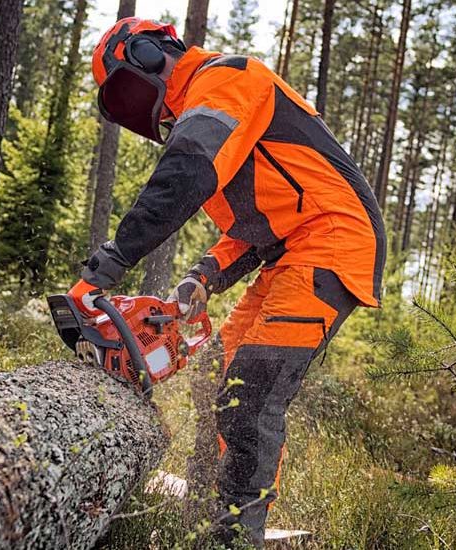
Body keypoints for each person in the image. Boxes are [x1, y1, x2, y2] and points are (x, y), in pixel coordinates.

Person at [69, 17, 386, 547]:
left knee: (251, 394)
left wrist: (110, 261)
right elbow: (253, 224)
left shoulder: (227, 78)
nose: (134, 105)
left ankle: (236, 536)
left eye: (128, 85)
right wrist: (202, 276)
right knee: (220, 380)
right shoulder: (211, 106)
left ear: (150, 54)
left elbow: (187, 173)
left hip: (332, 240)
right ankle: (208, 504)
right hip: (288, 247)